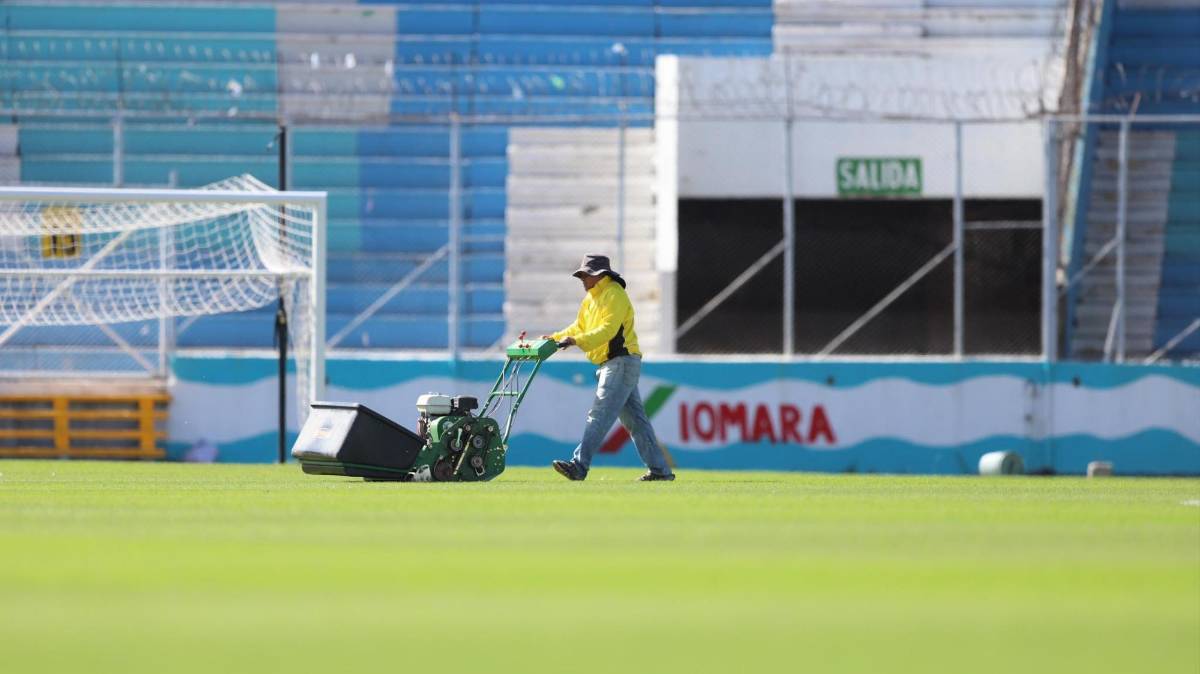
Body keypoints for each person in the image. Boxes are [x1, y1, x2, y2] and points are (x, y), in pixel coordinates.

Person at [543, 255, 675, 482]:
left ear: (600, 275)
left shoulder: (614, 294)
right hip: (615, 362)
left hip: (621, 361)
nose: (582, 279)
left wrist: (576, 341)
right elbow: (579, 326)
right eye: (582, 275)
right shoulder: (591, 299)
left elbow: (608, 330)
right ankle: (660, 471)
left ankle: (579, 465)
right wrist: (554, 338)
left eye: (586, 275)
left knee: (600, 413)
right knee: (636, 422)